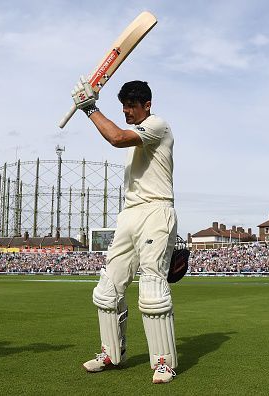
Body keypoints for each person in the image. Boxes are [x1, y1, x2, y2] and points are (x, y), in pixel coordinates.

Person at [71, 78, 178, 384]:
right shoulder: (138, 134)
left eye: (132, 106)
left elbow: (116, 137)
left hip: (156, 211)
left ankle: (163, 362)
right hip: (130, 214)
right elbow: (119, 135)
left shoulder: (158, 126)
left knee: (152, 290)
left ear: (147, 105)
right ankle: (110, 353)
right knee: (107, 289)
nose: (127, 112)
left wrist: (89, 108)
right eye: (124, 107)